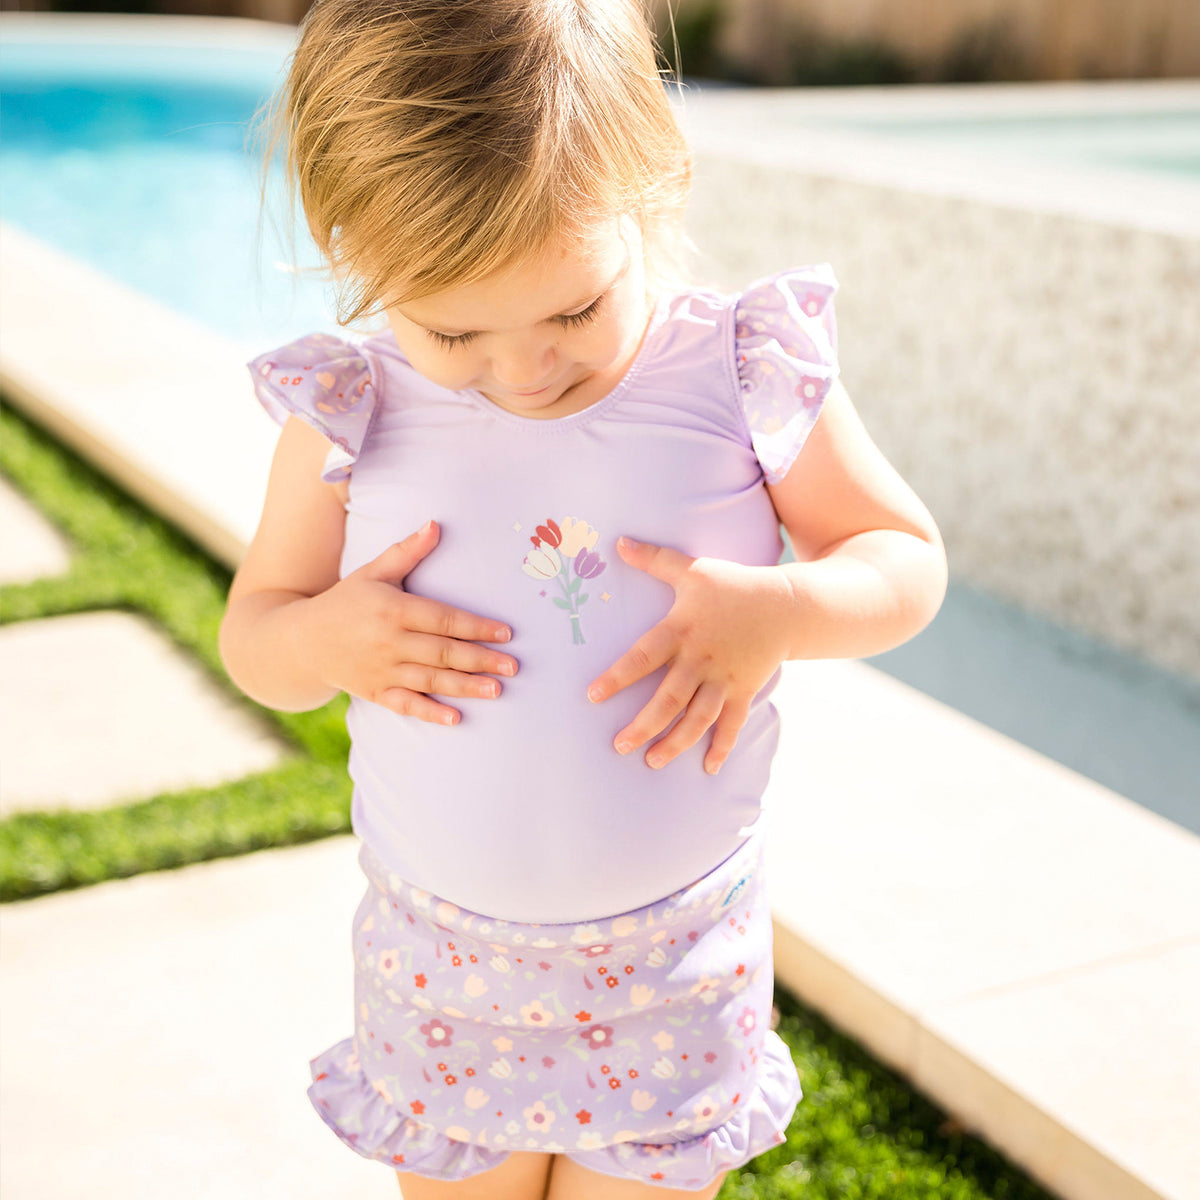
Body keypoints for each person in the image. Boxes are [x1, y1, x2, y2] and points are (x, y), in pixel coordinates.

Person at [219, 1, 947, 1196]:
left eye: (574, 309)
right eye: (453, 328)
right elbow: (257, 640)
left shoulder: (739, 371)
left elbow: (902, 557)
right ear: (352, 241)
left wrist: (782, 610)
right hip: (441, 966)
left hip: (671, 966)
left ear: (653, 182)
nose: (524, 368)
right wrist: (321, 636)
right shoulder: (349, 409)